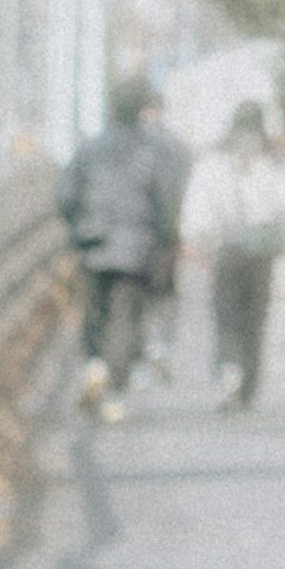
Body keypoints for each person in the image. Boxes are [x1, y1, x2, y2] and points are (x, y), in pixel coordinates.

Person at [59, 77, 184, 411]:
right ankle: (114, 387)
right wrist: (164, 240)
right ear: (142, 112)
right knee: (126, 315)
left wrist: (76, 226)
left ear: (112, 109)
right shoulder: (155, 151)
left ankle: (94, 365)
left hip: (94, 241)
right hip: (137, 246)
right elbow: (167, 199)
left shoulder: (90, 147)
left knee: (95, 309)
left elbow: (66, 193)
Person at [189, 115, 285, 408]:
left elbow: (199, 211)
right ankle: (249, 385)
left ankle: (228, 369)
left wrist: (199, 244)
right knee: (255, 319)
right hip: (261, 252)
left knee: (226, 316)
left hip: (227, 249)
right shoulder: (274, 160)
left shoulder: (214, 162)